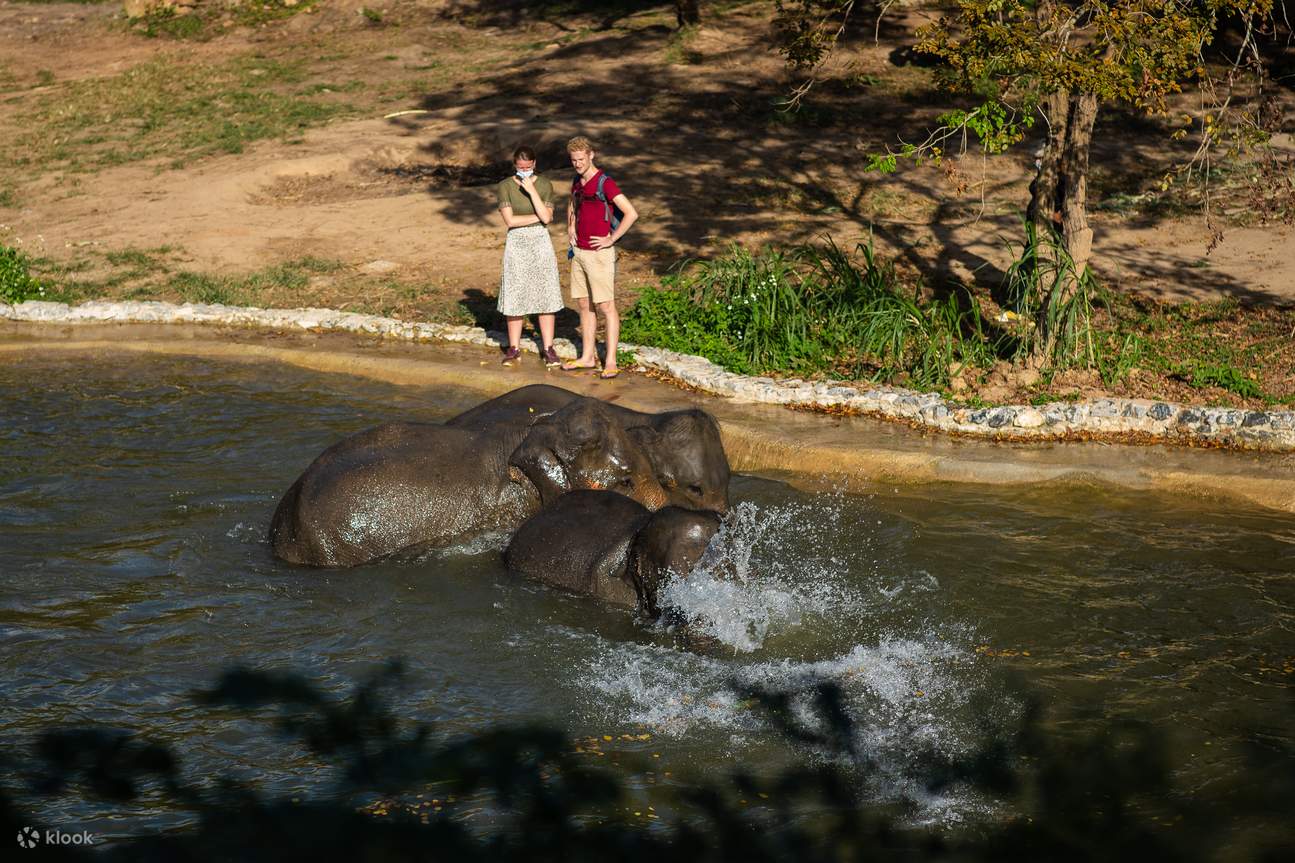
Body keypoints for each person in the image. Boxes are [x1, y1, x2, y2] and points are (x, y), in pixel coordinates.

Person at [561, 135, 638, 379]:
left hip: (599, 254)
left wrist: (611, 238)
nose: (577, 164)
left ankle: (611, 361)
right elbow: (573, 204)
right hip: (580, 252)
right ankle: (587, 357)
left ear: (591, 155)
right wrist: (571, 226)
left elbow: (631, 213)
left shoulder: (605, 183)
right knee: (584, 304)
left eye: (581, 159)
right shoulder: (577, 180)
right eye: (574, 160)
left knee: (606, 306)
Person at [495, 145, 563, 366]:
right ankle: (514, 347)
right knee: (515, 292)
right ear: (515, 165)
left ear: (534, 164)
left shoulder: (544, 185)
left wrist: (532, 191)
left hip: (540, 242)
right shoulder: (505, 186)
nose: (524, 170)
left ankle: (548, 347)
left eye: (528, 166)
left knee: (545, 292)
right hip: (517, 242)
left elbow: (549, 218)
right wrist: (539, 216)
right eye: (520, 167)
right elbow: (511, 221)